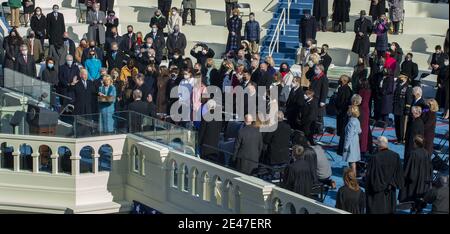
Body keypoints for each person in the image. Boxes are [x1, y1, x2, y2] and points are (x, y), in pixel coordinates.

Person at [366, 136, 404, 214]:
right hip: (390, 192)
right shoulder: (395, 156)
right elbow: (399, 176)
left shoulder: (375, 158)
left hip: (377, 193)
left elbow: (370, 177)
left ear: (378, 145)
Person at [398, 135, 432, 211]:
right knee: (418, 202)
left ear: (416, 143)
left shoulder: (413, 154)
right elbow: (430, 168)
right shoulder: (426, 153)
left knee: (411, 200)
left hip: (414, 183)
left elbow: (408, 170)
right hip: (423, 181)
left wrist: (403, 178)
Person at [336, 75, 353, 155]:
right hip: (341, 112)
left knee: (343, 131)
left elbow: (343, 102)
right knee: (341, 130)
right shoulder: (342, 88)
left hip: (343, 112)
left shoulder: (345, 90)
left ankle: (342, 148)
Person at [393, 74, 412, 144]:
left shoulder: (408, 87)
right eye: (399, 77)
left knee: (402, 125)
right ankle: (398, 138)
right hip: (396, 108)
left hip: (402, 109)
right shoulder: (398, 85)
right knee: (397, 124)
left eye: (402, 77)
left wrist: (407, 109)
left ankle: (402, 139)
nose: (400, 78)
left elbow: (409, 99)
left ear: (406, 78)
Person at [309, 64, 329, 134]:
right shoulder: (314, 77)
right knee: (314, 114)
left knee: (319, 116)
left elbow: (325, 90)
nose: (315, 70)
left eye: (317, 69)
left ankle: (320, 130)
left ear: (321, 70)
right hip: (313, 98)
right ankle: (315, 129)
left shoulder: (324, 78)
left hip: (318, 99)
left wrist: (323, 100)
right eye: (315, 69)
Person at [343, 105, 362, 175]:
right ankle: (352, 174)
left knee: (351, 161)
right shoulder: (356, 120)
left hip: (351, 143)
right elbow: (360, 131)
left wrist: (346, 146)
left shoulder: (351, 122)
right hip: (355, 141)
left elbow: (349, 136)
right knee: (353, 160)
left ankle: (353, 175)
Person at [358, 80, 372, 154]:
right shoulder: (365, 90)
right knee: (364, 130)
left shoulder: (366, 91)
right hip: (363, 110)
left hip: (363, 111)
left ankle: (363, 147)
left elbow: (363, 103)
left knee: (363, 130)